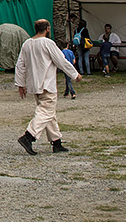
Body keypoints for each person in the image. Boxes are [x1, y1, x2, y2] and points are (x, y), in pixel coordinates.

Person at [15, 18, 81, 154]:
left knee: (49, 114)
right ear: (47, 29)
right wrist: (75, 75)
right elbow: (61, 61)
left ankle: (56, 142)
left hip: (34, 84)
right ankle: (29, 136)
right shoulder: (48, 43)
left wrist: (21, 84)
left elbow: (20, 65)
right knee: (45, 111)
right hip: (46, 84)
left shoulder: (27, 44)